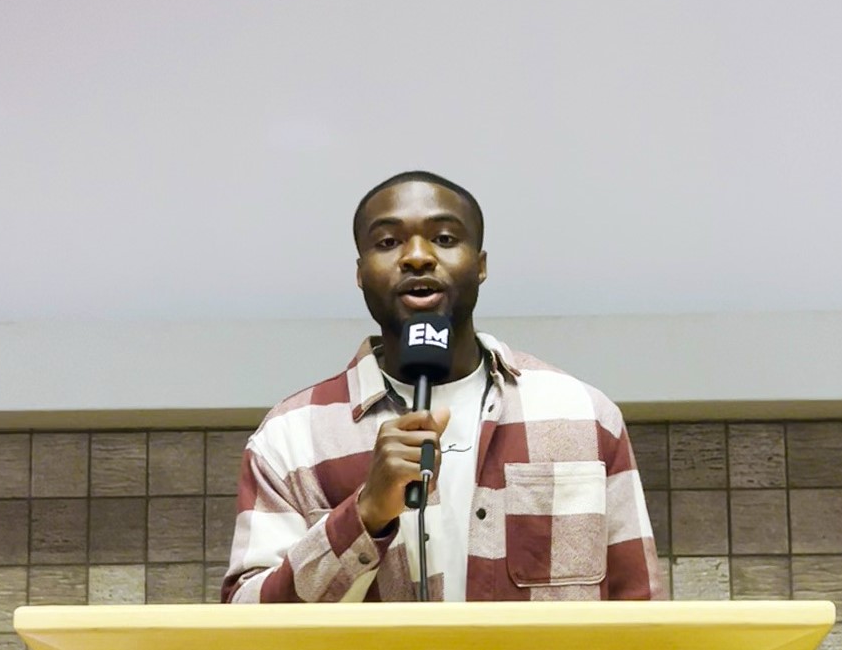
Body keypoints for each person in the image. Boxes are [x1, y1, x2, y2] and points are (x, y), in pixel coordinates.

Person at [222, 170, 664, 603]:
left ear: (481, 265)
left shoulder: (582, 414)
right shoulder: (290, 437)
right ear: (360, 273)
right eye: (388, 242)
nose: (417, 256)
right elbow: (246, 622)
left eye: (445, 238)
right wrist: (365, 514)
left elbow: (640, 611)